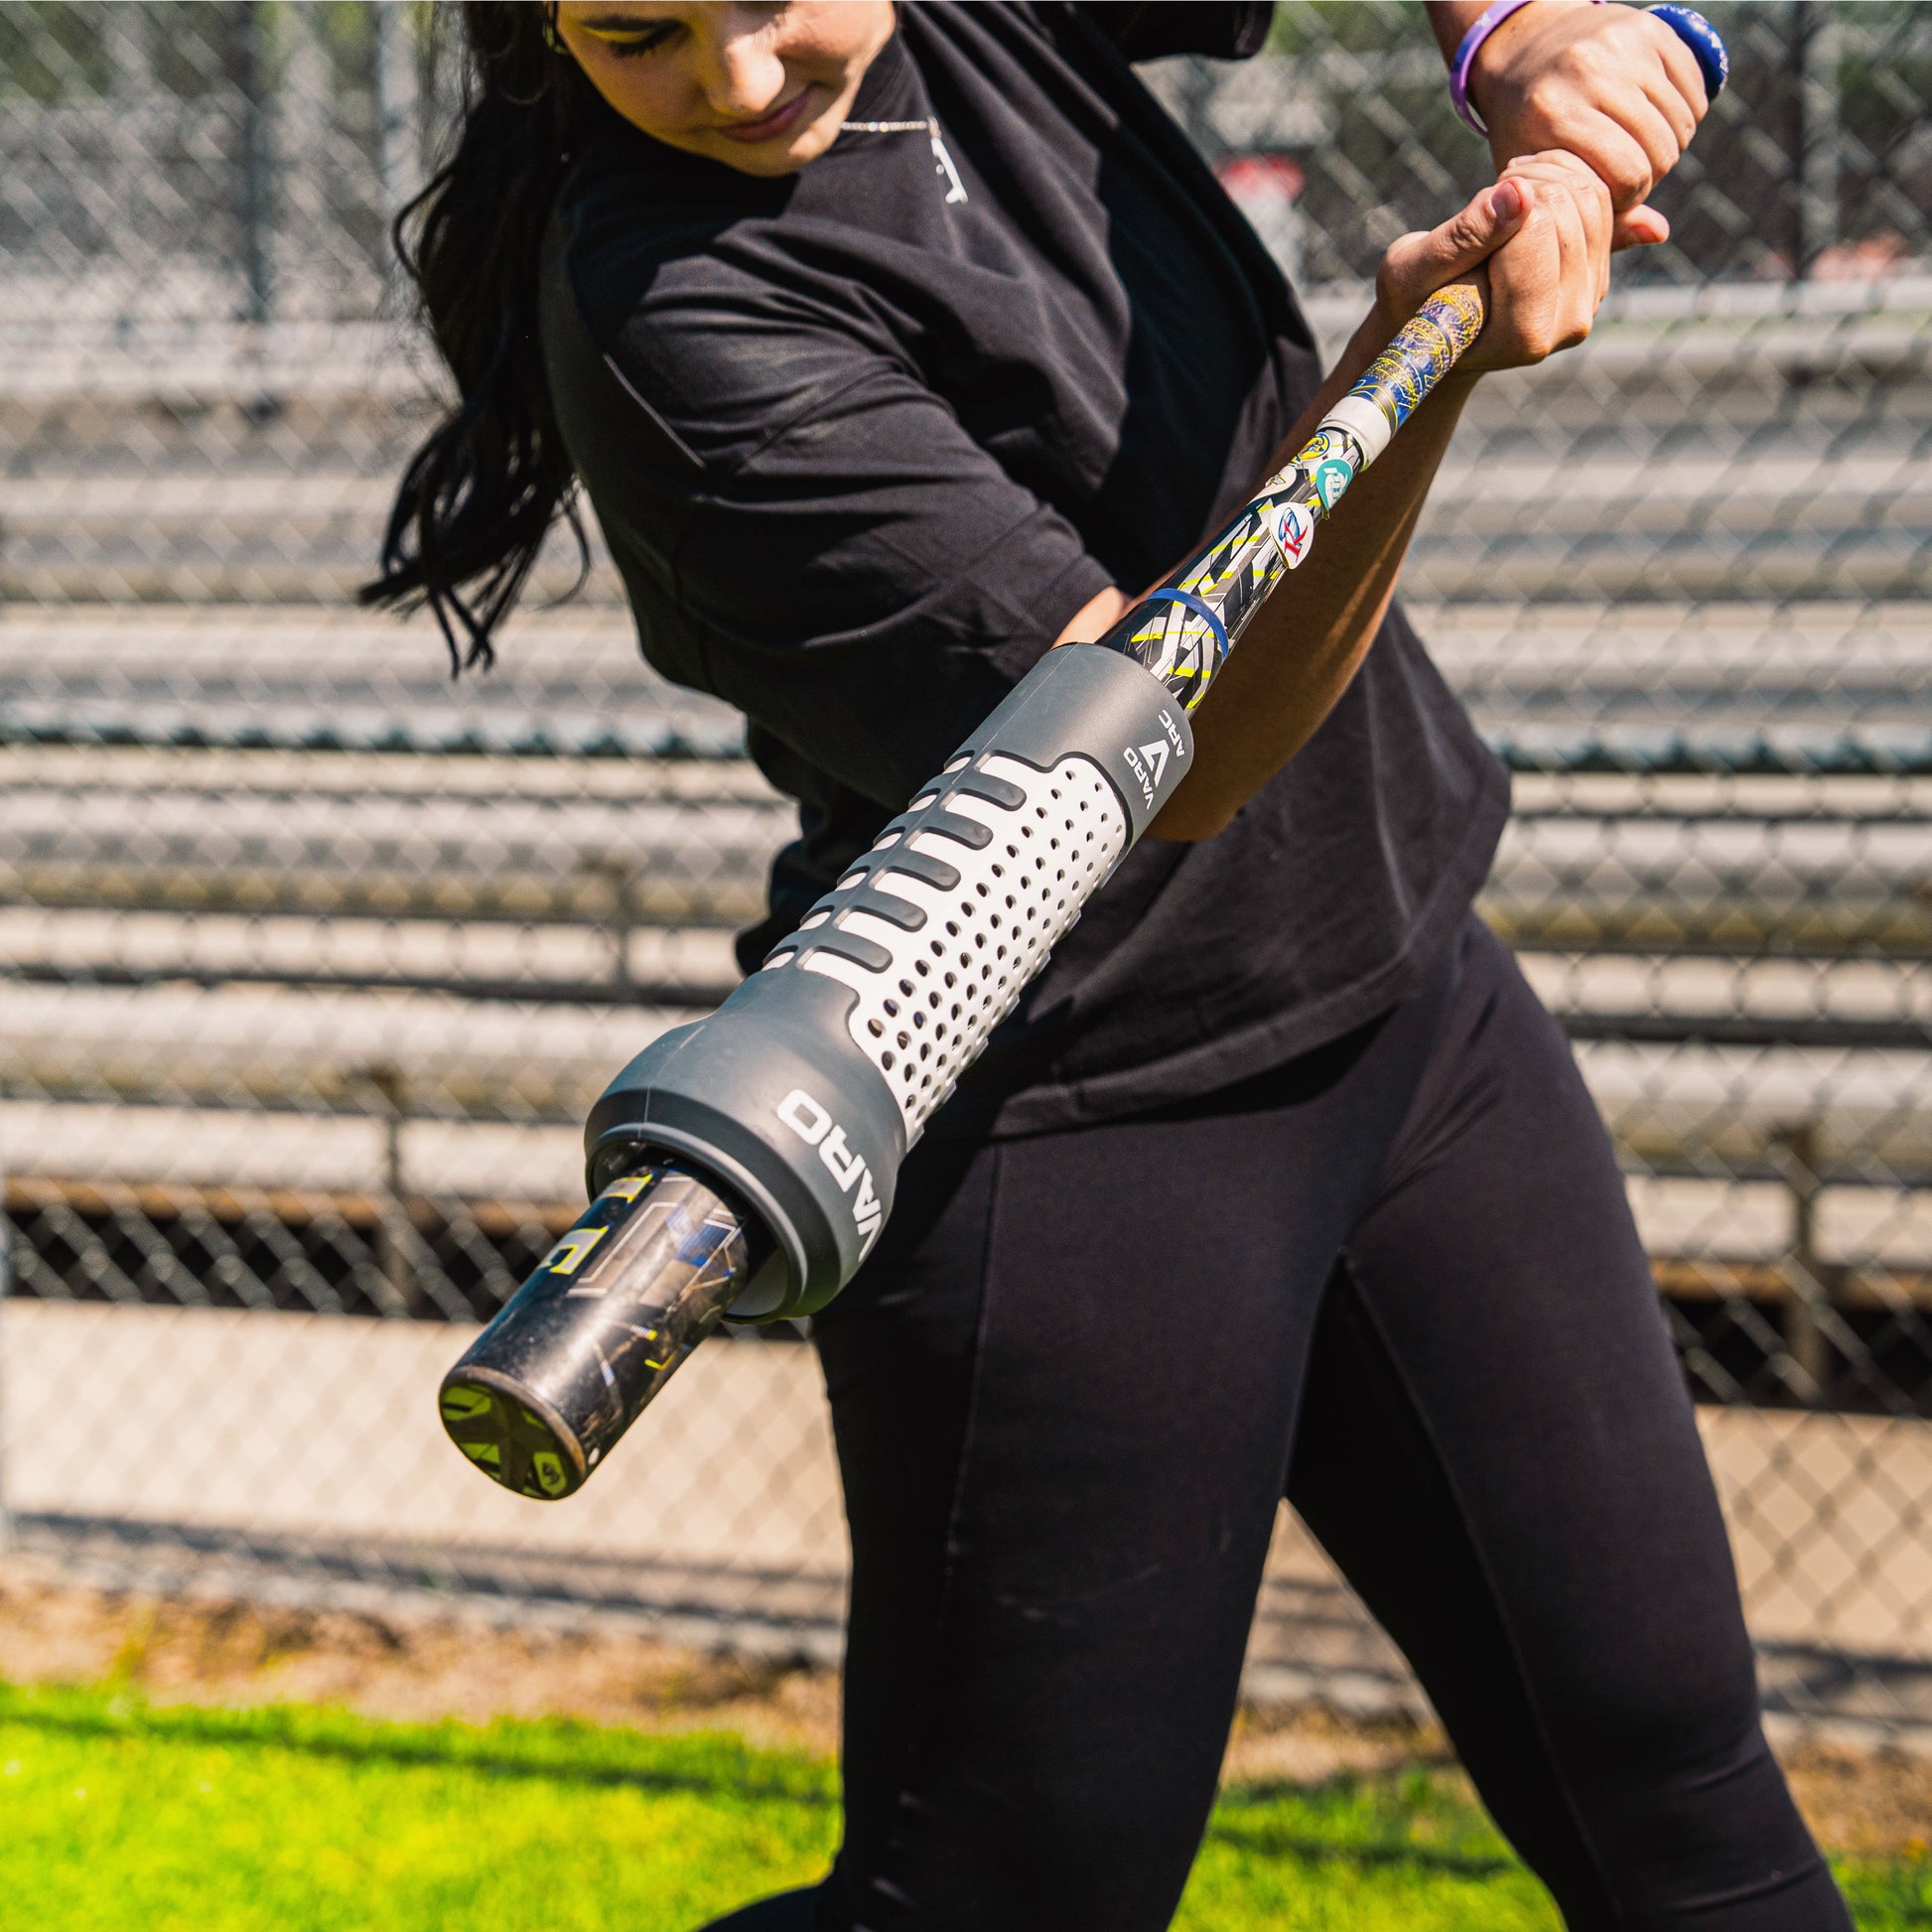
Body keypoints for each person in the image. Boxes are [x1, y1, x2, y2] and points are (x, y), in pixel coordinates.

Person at [368, 6, 1852, 1928]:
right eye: (642, 32)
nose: (735, 82)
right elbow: (1187, 753)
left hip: (1405, 1010)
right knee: (1003, 1898)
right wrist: (1427, 365)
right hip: (1065, 1121)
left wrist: (1530, 38)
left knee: (1678, 1790)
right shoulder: (675, 320)